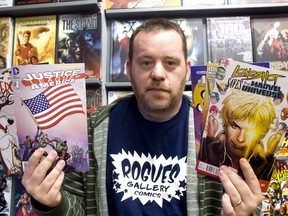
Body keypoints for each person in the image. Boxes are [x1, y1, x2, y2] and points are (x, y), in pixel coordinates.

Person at [22, 18, 262, 216]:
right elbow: (76, 208)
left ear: (187, 70)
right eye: (146, 62)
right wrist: (51, 205)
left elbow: (244, 203)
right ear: (128, 69)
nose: (158, 73)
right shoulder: (92, 129)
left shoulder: (218, 134)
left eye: (170, 63)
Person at [198, 90, 281, 180]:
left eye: (251, 131)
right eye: (235, 127)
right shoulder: (209, 147)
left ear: (262, 134)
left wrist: (268, 160)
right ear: (225, 125)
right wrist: (210, 143)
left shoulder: (265, 163)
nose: (240, 138)